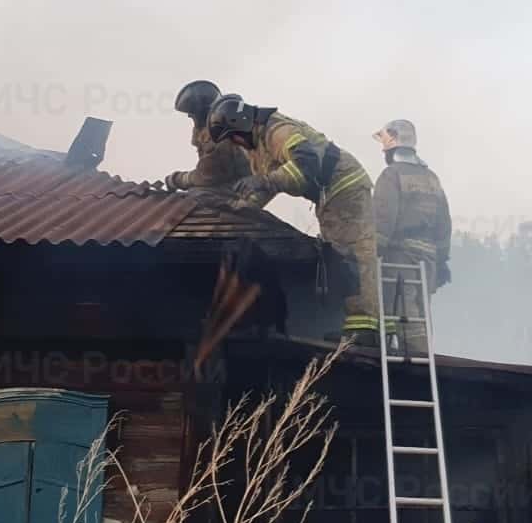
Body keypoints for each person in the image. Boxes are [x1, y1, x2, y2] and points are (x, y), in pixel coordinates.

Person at [166, 83, 383, 346]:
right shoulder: (255, 145)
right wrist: (242, 207)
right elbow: (265, 186)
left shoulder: (277, 130)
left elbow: (305, 168)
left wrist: (266, 181)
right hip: (329, 194)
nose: (235, 144)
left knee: (349, 252)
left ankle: (365, 329)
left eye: (234, 137)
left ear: (242, 124)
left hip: (345, 185)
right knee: (338, 252)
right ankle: (363, 327)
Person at [371, 119, 452, 351]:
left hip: (400, 258)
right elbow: (444, 223)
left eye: (384, 145)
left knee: (404, 315)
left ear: (393, 144)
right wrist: (443, 259)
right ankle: (423, 359)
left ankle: (416, 363)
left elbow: (383, 218)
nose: (382, 150)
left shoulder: (391, 175)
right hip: (428, 259)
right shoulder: (432, 178)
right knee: (421, 313)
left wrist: (372, 252)